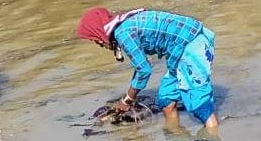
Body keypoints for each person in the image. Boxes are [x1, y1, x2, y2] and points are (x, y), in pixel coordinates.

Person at [75, 8, 219, 130]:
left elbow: (144, 70)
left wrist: (126, 101)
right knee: (166, 100)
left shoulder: (123, 34)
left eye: (94, 38)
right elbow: (140, 67)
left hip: (192, 44)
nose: (97, 42)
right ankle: (177, 136)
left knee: (199, 105)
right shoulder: (124, 25)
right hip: (179, 51)